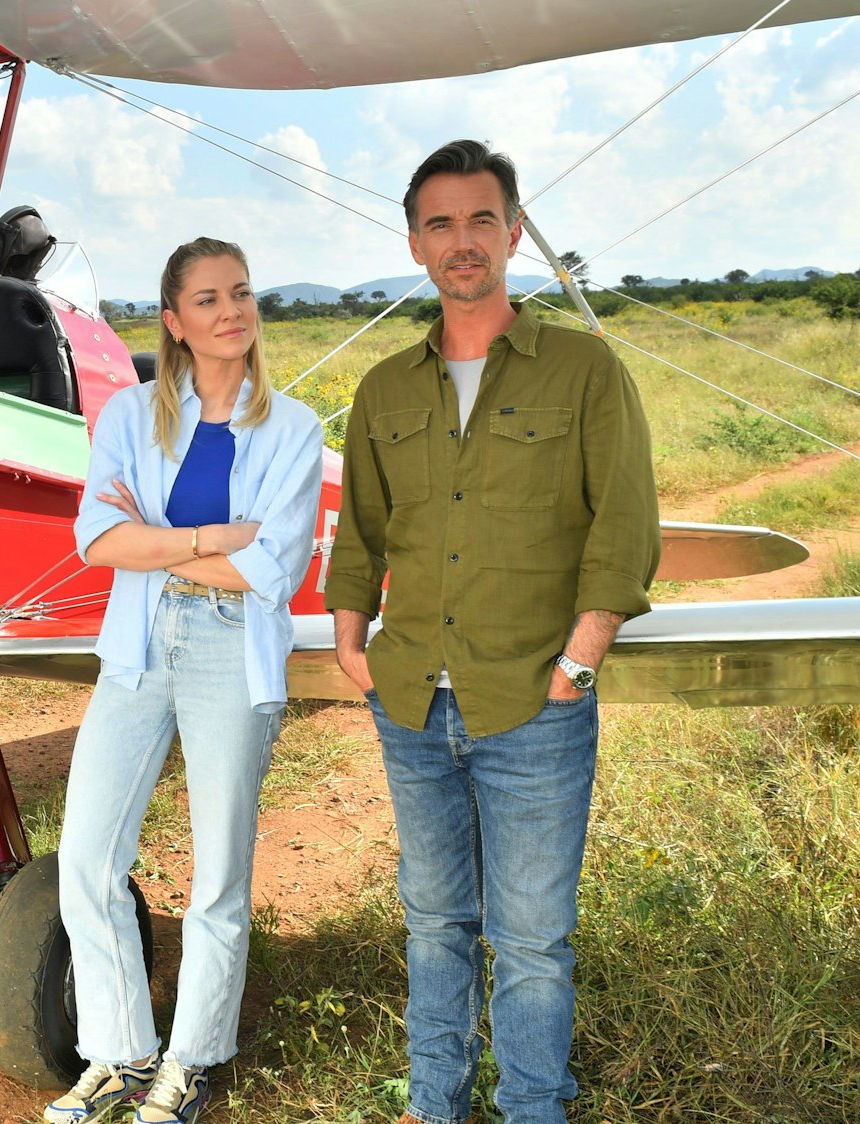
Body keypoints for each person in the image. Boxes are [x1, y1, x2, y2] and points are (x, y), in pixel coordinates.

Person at [323, 140, 661, 1124]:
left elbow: (625, 524)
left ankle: (532, 1109)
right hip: (410, 700)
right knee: (432, 923)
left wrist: (578, 659)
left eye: (481, 219)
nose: (462, 242)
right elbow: (363, 529)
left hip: (534, 702)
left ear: (514, 232)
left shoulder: (585, 369)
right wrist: (353, 638)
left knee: (531, 939)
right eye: (441, 223)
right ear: (416, 243)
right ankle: (436, 1105)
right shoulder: (386, 387)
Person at [47, 237, 325, 1124]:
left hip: (231, 650)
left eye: (241, 292)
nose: (231, 311)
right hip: (136, 646)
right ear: (174, 321)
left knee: (217, 878)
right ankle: (120, 1055)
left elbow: (273, 569)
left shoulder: (296, 428)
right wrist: (212, 538)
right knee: (87, 858)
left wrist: (158, 547)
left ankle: (191, 1061)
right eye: (207, 299)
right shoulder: (127, 417)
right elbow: (97, 543)